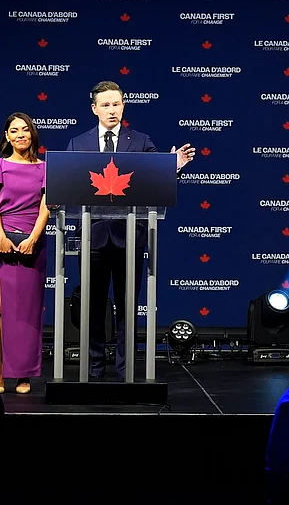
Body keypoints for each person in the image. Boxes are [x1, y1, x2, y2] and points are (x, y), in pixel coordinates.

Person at [66, 80, 195, 379]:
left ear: (123, 106)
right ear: (94, 109)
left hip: (129, 238)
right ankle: (94, 369)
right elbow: (69, 185)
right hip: (93, 238)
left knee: (128, 308)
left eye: (117, 104)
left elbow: (156, 180)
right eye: (106, 105)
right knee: (93, 307)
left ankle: (126, 370)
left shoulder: (140, 141)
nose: (112, 110)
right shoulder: (78, 144)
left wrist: (173, 166)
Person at [0, 112, 49, 394]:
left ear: (33, 134)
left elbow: (46, 207)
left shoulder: (46, 169)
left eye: (25, 130)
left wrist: (33, 238)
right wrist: (1, 237)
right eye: (14, 130)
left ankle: (24, 374)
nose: (20, 135)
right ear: (7, 136)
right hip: (1, 243)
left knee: (27, 311)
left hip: (33, 243)